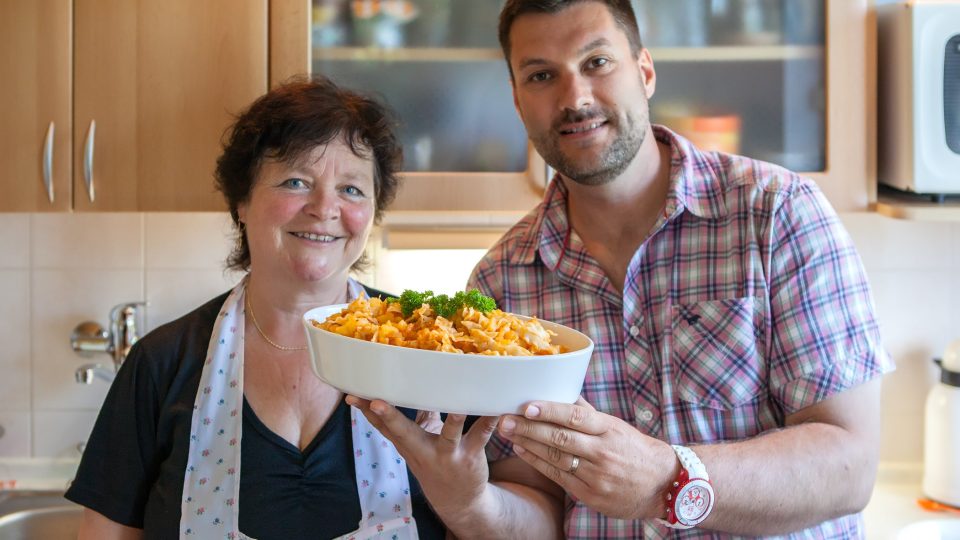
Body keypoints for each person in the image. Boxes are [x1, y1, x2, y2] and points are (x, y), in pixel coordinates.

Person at [459, 0, 891, 538]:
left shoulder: (777, 212)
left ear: (644, 71)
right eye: (542, 75)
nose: (575, 98)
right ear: (518, 101)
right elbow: (536, 498)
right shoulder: (501, 283)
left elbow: (848, 465)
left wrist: (670, 478)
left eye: (596, 63)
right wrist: (470, 503)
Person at [66, 75, 464, 539]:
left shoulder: (435, 348)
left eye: (352, 189)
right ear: (242, 201)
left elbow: (485, 519)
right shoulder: (162, 362)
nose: (324, 208)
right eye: (296, 181)